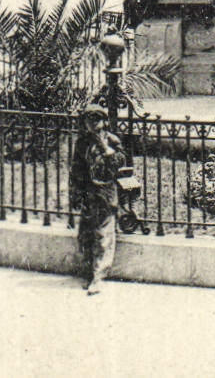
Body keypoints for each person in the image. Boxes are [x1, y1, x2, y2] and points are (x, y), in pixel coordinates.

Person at [69, 104, 126, 294]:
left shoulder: (112, 140)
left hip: (105, 194)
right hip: (88, 194)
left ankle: (98, 276)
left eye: (97, 119)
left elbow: (119, 162)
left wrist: (104, 147)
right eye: (89, 120)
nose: (93, 124)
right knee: (85, 234)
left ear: (104, 122)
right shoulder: (82, 143)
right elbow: (76, 169)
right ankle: (88, 272)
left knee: (103, 236)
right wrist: (75, 193)